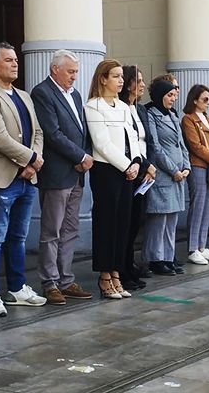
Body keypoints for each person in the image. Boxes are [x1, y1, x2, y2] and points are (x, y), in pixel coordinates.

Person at [0, 42, 47, 316]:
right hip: (2, 177)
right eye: (8, 60)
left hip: (27, 177)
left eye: (16, 60)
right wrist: (29, 159)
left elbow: (38, 132)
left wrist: (34, 161)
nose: (15, 64)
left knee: (19, 237)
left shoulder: (24, 96)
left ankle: (17, 288)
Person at [30, 50, 95, 304]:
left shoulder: (75, 95)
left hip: (77, 173)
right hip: (57, 173)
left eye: (76, 72)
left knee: (70, 229)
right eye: (70, 71)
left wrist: (86, 155)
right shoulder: (43, 93)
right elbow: (52, 133)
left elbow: (82, 131)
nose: (74, 77)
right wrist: (80, 157)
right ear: (55, 69)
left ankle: (66, 279)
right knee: (52, 230)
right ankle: (49, 281)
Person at [86, 60, 150, 297]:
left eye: (122, 76)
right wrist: (126, 166)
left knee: (123, 224)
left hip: (127, 171)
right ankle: (104, 275)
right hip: (107, 172)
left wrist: (135, 163)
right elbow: (101, 143)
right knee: (107, 224)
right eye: (115, 76)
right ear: (103, 79)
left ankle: (116, 272)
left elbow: (132, 138)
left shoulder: (123, 106)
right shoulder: (93, 106)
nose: (121, 80)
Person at [139, 77, 191, 276]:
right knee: (158, 219)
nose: (172, 99)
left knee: (171, 220)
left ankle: (168, 257)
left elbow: (181, 143)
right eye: (169, 95)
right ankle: (154, 258)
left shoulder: (173, 114)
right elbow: (156, 147)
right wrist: (173, 170)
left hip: (178, 175)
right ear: (160, 95)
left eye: (174, 95)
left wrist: (186, 166)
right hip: (163, 174)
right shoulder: (151, 114)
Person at [120, 66, 157, 288]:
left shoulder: (140, 109)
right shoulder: (121, 107)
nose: (143, 85)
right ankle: (122, 267)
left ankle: (130, 264)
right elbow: (128, 143)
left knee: (137, 222)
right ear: (128, 83)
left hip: (145, 172)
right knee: (126, 222)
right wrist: (143, 166)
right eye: (139, 81)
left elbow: (148, 141)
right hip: (130, 170)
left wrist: (150, 165)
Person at [182, 84, 209, 265]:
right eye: (204, 99)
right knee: (198, 204)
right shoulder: (188, 119)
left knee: (208, 205)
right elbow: (196, 147)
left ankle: (202, 245)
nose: (208, 103)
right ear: (194, 100)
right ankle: (193, 248)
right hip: (199, 165)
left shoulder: (208, 118)